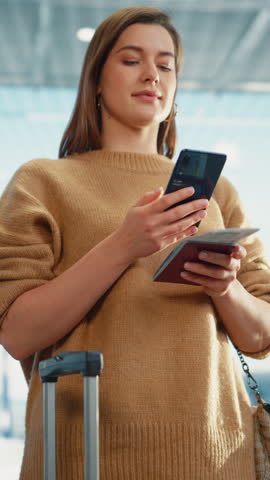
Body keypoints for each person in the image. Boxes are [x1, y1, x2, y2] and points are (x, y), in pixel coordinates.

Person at [0, 6, 270, 479]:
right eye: (131, 60)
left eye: (165, 65)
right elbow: (16, 332)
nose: (152, 75)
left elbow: (260, 335)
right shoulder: (43, 181)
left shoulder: (216, 191)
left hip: (214, 453)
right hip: (87, 452)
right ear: (96, 81)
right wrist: (123, 245)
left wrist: (225, 288)